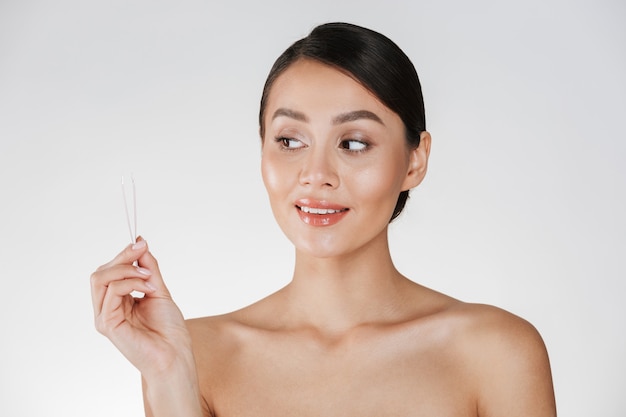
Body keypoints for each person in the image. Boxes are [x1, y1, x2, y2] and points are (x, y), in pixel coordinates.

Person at [90, 22, 556, 417]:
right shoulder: (196, 354)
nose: (316, 176)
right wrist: (168, 376)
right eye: (290, 141)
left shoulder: (497, 353)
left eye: (353, 142)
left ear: (415, 161)